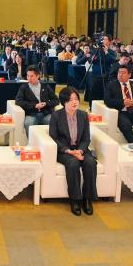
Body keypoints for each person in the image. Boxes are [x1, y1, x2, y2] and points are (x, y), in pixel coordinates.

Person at [48, 87, 96, 216]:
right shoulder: (56, 116)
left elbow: (86, 137)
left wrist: (80, 150)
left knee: (91, 162)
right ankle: (75, 199)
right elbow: (53, 137)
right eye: (70, 100)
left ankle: (87, 198)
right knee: (73, 163)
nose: (74, 102)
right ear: (64, 102)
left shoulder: (83, 115)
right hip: (64, 150)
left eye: (76, 99)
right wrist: (69, 151)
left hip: (80, 148)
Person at [104, 67, 133, 143]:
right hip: (121, 112)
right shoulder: (111, 85)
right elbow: (107, 101)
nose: (120, 75)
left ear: (129, 75)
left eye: (123, 73)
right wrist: (122, 102)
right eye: (119, 72)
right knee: (126, 126)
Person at [15, 66, 59, 134]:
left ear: (38, 76)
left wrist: (46, 104)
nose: (29, 78)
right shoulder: (24, 87)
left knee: (54, 122)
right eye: (28, 76)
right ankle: (31, 143)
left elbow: (56, 100)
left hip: (46, 114)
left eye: (32, 76)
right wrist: (34, 105)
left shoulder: (45, 86)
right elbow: (18, 101)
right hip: (31, 114)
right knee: (28, 123)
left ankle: (51, 143)